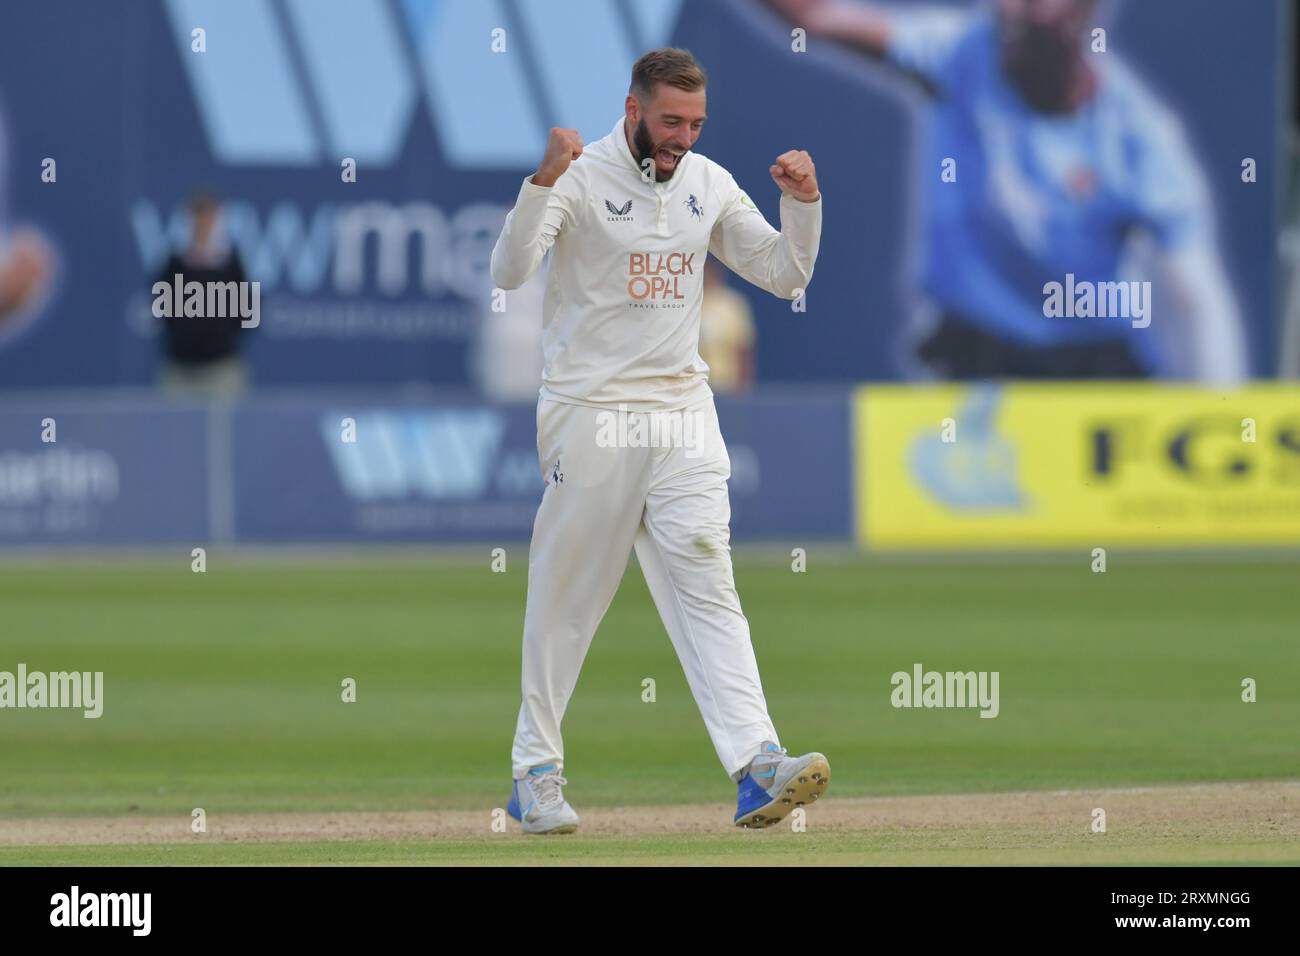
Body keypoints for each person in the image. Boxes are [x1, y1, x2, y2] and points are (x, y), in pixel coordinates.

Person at [490, 48, 828, 833]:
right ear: (634, 109)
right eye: (670, 121)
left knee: (709, 581)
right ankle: (535, 774)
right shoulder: (578, 174)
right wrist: (541, 180)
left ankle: (757, 765)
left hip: (682, 411)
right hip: (591, 409)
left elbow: (784, 275)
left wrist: (803, 205)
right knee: (568, 599)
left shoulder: (708, 183)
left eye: (695, 124)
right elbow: (509, 273)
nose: (682, 138)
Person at [759, 0, 1249, 383]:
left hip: (1094, 367)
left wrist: (1224, 428)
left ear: (1084, 13)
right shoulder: (962, 53)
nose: (1010, 9)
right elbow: (816, 16)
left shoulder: (1139, 136)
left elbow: (1196, 298)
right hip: (977, 361)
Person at [154, 191, 251, 397]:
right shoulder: (175, 265)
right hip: (180, 368)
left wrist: (219, 336)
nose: (204, 226)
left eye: (209, 219)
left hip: (221, 368)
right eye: (198, 219)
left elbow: (246, 311)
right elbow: (163, 309)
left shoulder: (231, 265)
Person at [699, 258, 757, 393]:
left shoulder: (733, 304)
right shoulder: (685, 304)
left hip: (727, 386)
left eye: (710, 270)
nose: (706, 275)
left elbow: (744, 350)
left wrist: (743, 389)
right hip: (694, 388)